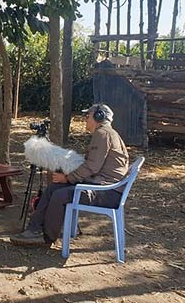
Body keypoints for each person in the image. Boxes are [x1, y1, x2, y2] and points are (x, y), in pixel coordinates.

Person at [11, 103, 129, 246]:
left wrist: (68, 178)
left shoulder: (102, 134)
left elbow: (92, 166)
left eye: (88, 116)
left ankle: (47, 237)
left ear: (99, 117)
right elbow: (92, 165)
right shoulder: (106, 133)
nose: (86, 119)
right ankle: (33, 229)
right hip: (103, 187)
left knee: (59, 195)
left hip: (106, 192)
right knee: (52, 189)